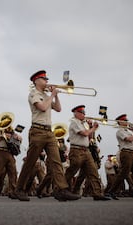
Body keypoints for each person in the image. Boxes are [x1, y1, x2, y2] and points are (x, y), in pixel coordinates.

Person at [15, 70, 79, 202]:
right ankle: (19, 189)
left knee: (56, 161)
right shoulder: (33, 94)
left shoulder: (45, 94)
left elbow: (59, 108)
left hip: (49, 132)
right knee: (30, 162)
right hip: (37, 131)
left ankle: (62, 190)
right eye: (44, 79)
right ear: (36, 81)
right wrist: (52, 95)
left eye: (46, 79)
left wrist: (55, 96)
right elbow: (43, 107)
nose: (47, 82)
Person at [64, 105, 110, 201]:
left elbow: (89, 137)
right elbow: (84, 133)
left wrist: (90, 128)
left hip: (86, 150)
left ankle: (98, 193)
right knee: (71, 171)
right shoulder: (74, 122)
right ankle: (60, 189)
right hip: (76, 150)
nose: (84, 114)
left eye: (84, 112)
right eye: (82, 112)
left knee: (93, 171)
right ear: (76, 113)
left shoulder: (83, 124)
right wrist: (93, 128)